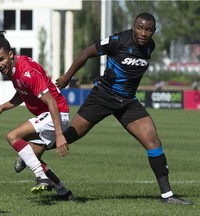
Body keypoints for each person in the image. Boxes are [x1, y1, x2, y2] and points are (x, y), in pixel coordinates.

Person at [55, 12, 192, 205]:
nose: (143, 33)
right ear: (133, 27)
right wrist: (67, 77)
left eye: (148, 29)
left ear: (154, 31)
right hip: (103, 96)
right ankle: (31, 151)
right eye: (140, 28)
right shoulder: (118, 41)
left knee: (153, 141)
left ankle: (167, 196)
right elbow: (87, 52)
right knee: (69, 136)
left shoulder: (150, 47)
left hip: (127, 102)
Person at [0, 31, 73, 200]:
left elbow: (52, 102)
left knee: (12, 136)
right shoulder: (13, 69)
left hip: (56, 114)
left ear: (10, 54)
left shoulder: (26, 71)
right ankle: (63, 192)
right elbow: (21, 93)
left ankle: (41, 176)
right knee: (29, 157)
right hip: (49, 116)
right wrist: (2, 107)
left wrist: (60, 135)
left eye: (1, 59)